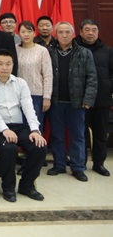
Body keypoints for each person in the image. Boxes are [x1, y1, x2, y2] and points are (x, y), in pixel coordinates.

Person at [0, 49, 47, 202]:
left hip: (19, 125)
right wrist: (5, 129)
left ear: (13, 65)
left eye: (8, 64)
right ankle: (8, 188)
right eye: (1, 63)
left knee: (40, 147)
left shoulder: (20, 83)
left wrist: (35, 130)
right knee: (9, 148)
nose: (4, 67)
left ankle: (27, 185)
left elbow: (28, 107)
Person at [47, 22, 97, 182]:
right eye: (61, 32)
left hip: (77, 103)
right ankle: (59, 164)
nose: (64, 35)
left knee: (77, 136)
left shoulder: (84, 52)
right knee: (57, 135)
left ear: (73, 33)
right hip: (55, 102)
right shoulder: (48, 51)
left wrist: (88, 99)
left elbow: (92, 78)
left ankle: (78, 167)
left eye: (67, 32)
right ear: (56, 34)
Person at [75, 19, 113, 176]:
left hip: (102, 99)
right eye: (87, 30)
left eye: (94, 30)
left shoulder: (108, 51)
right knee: (80, 134)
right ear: (80, 32)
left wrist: (109, 88)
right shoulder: (73, 48)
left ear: (98, 32)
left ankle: (99, 164)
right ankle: (80, 163)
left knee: (101, 134)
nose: (90, 33)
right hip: (80, 99)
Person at [15, 21, 53, 131]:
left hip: (36, 95)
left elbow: (48, 75)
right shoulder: (15, 49)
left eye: (29, 31)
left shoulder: (42, 51)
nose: (26, 34)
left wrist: (47, 97)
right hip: (17, 94)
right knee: (20, 127)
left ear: (34, 33)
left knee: (35, 127)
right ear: (19, 33)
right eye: (23, 31)